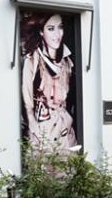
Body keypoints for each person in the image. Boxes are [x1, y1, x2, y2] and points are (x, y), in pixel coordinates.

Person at [21, 13, 77, 149]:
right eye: (51, 29)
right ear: (41, 32)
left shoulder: (67, 62)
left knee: (66, 168)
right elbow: (27, 99)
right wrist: (33, 127)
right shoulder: (33, 61)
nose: (57, 34)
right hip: (43, 131)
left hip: (65, 130)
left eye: (60, 27)